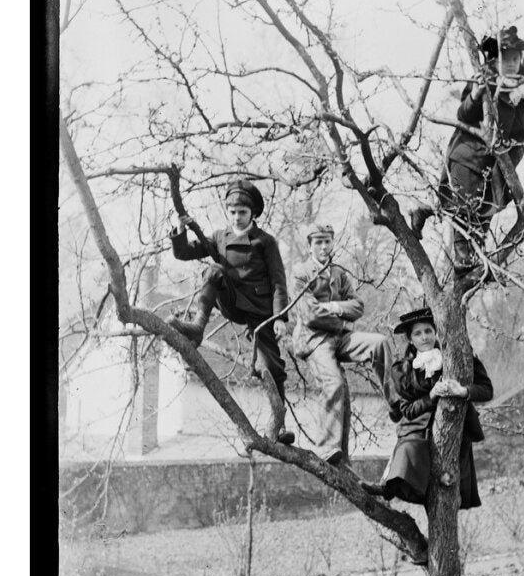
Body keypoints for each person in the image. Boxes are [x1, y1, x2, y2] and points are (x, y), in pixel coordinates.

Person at [167, 177, 295, 445]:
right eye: (233, 212)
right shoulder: (219, 237)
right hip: (233, 301)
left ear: (253, 213)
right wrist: (181, 231)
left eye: (243, 213)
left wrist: (281, 317)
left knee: (270, 366)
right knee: (214, 271)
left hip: (260, 311)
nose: (237, 218)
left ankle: (279, 428)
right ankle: (198, 326)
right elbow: (184, 254)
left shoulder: (265, 241)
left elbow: (278, 281)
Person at [411, 25, 524, 274]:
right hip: (470, 155)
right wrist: (478, 93)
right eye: (506, 59)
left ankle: (430, 216)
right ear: (495, 59)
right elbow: (464, 113)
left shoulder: (521, 87)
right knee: (463, 206)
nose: (512, 64)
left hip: (493, 164)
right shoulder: (485, 79)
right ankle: (462, 256)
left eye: (516, 59)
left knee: (484, 206)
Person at [291, 223, 393, 466]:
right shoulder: (300, 272)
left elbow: (358, 306)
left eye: (327, 241)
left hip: (340, 338)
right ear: (310, 246)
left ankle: (398, 402)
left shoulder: (338, 273)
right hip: (315, 340)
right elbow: (310, 315)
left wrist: (335, 307)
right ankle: (327, 448)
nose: (324, 246)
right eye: (318, 242)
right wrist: (340, 320)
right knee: (334, 382)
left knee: (379, 343)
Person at [382, 308, 493, 510]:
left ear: (436, 332)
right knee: (410, 454)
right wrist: (431, 396)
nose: (424, 337)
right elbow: (407, 410)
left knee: (447, 485)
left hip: (455, 431)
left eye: (428, 331)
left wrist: (463, 391)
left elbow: (487, 390)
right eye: (417, 333)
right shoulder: (403, 369)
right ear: (410, 339)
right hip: (418, 433)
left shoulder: (457, 359)